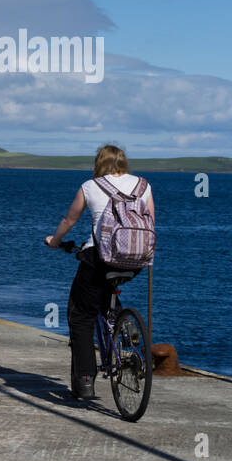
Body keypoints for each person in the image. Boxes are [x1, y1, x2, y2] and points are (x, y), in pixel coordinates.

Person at [45, 144, 155, 399]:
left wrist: (53, 242)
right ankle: (122, 322)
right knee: (104, 295)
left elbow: (69, 221)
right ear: (124, 163)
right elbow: (150, 222)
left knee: (81, 315)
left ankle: (84, 378)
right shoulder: (143, 185)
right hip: (135, 260)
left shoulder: (90, 186)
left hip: (100, 258)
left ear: (99, 163)